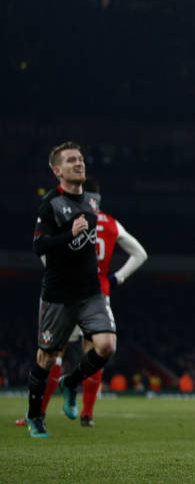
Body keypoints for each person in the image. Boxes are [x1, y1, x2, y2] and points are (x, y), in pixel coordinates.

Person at [15, 178, 149, 428]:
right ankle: (87, 415)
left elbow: (44, 249)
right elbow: (140, 253)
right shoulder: (109, 223)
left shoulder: (66, 220)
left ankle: (37, 414)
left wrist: (54, 271)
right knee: (95, 351)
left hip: (67, 293)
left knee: (53, 353)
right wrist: (116, 278)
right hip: (98, 295)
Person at [24, 142, 117, 438]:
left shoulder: (92, 200)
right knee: (46, 359)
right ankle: (34, 415)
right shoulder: (50, 203)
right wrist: (68, 234)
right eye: (71, 160)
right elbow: (38, 246)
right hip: (58, 295)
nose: (79, 163)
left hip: (90, 292)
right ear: (57, 171)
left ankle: (71, 382)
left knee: (107, 346)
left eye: (80, 159)